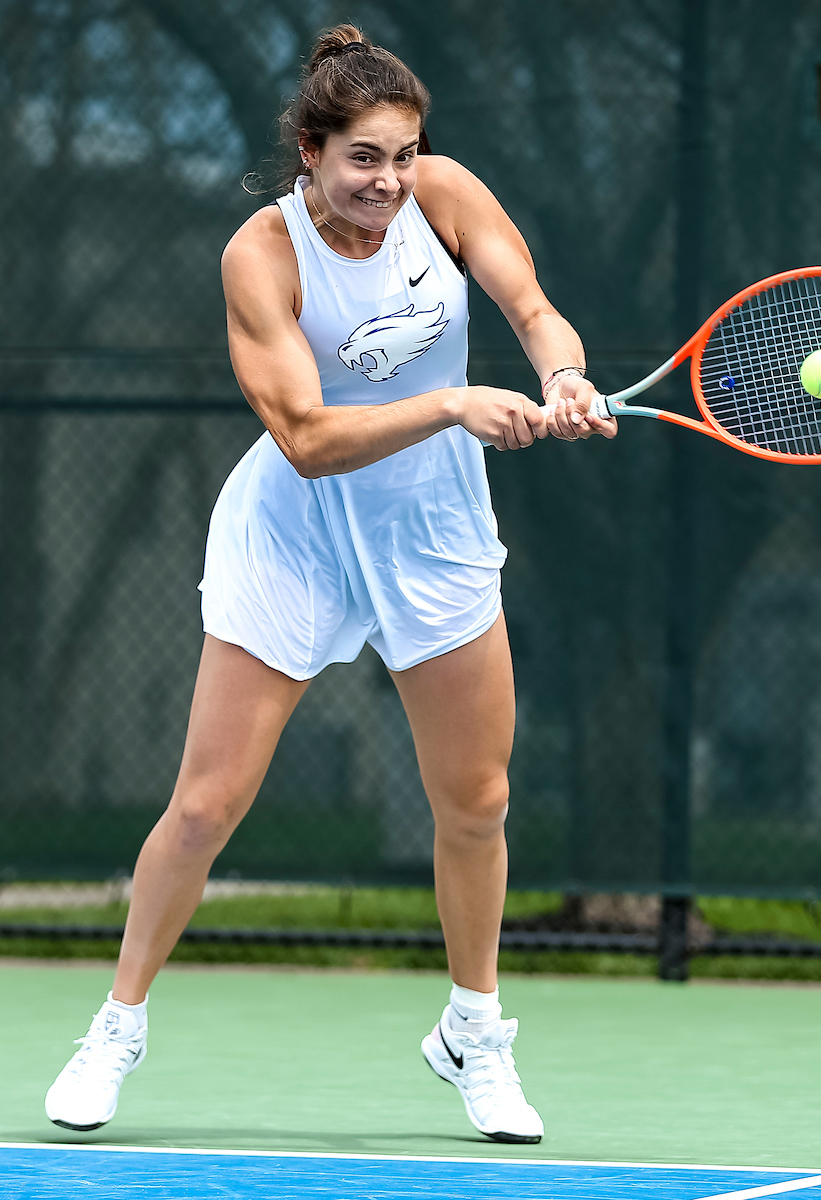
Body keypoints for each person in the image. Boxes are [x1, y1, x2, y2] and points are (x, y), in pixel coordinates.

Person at [43, 23, 616, 1144]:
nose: (389, 181)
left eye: (403, 155)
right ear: (309, 152)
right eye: (364, 158)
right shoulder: (258, 255)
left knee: (479, 801)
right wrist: (455, 403)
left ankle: (474, 1032)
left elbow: (534, 306)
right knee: (206, 804)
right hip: (294, 535)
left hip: (434, 530)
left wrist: (561, 370)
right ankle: (115, 1026)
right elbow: (305, 435)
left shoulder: (443, 196)